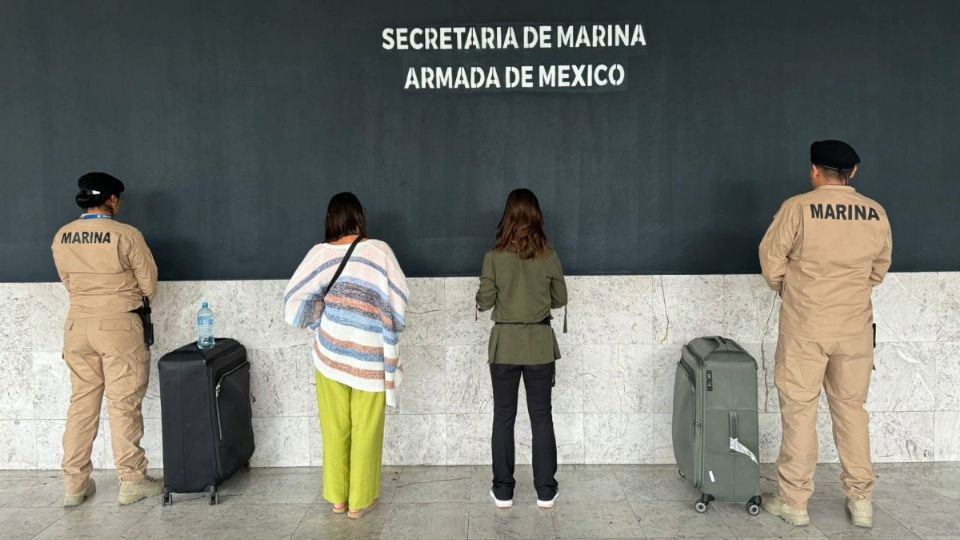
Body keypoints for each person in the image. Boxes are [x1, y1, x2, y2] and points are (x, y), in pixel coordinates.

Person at [759, 141, 893, 529]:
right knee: (852, 411)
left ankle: (795, 502)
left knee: (800, 411)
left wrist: (790, 289)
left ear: (815, 171)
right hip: (854, 329)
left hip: (806, 326)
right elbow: (878, 269)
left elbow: (771, 260)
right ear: (854, 172)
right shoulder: (875, 213)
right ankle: (861, 500)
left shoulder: (798, 208)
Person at [283, 192, 408, 519]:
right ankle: (359, 503)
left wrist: (320, 323)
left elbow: (293, 303)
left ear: (330, 218)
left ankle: (337, 499)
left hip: (330, 355)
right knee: (367, 429)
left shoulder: (319, 254)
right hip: (370, 357)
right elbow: (399, 304)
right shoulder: (379, 252)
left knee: (335, 427)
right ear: (359, 217)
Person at [51, 172, 163, 506]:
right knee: (123, 403)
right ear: (112, 200)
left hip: (77, 326)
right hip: (118, 327)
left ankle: (74, 485)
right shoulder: (125, 234)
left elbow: (67, 281)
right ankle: (131, 480)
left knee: (82, 404)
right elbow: (149, 285)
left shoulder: (62, 235)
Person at [476, 188, 568, 510]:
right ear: (536, 217)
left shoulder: (493, 258)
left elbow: (484, 302)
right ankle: (546, 491)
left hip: (504, 348)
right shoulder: (549, 256)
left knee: (504, 417)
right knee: (541, 417)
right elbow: (561, 299)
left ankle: (503, 491)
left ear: (507, 217)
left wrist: (492, 292)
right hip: (540, 347)